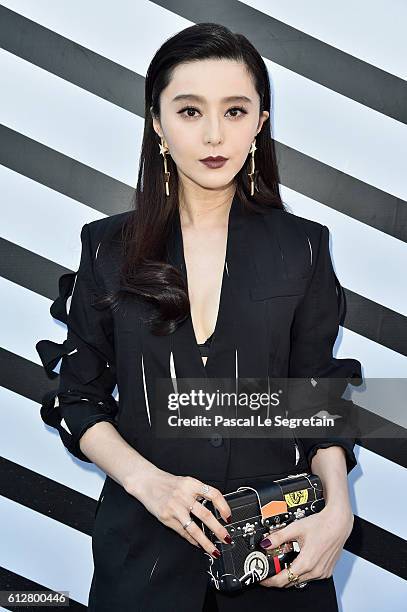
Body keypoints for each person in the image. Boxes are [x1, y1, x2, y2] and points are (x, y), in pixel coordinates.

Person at [36, 23, 362, 611]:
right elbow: (79, 399)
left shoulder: (304, 248)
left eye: (235, 110)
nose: (215, 134)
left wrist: (338, 509)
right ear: (157, 124)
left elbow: (318, 400)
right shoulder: (107, 248)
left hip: (278, 562)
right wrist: (149, 484)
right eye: (190, 111)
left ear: (260, 122)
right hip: (143, 563)